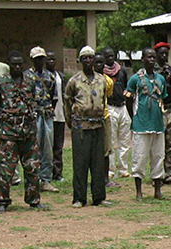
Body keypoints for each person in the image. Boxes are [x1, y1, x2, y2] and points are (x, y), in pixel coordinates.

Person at [0, 51, 47, 213]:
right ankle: (3, 201)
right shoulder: (0, 83)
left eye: (20, 63)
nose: (18, 66)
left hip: (29, 132)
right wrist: (0, 124)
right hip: (9, 134)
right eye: (14, 64)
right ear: (9, 64)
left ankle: (34, 200)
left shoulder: (30, 82)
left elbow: (33, 101)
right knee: (6, 170)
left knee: (32, 168)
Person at [64, 46, 112, 207]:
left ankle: (99, 197)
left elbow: (104, 99)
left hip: (98, 124)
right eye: (85, 58)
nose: (88, 61)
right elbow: (67, 101)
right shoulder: (74, 81)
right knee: (80, 162)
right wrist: (71, 121)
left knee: (98, 162)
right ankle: (79, 198)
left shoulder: (101, 80)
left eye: (90, 57)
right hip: (81, 125)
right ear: (80, 61)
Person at [126, 47, 171, 200]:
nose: (152, 60)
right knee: (139, 157)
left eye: (153, 57)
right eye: (149, 57)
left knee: (158, 156)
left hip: (158, 124)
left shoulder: (160, 79)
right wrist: (134, 117)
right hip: (141, 124)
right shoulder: (135, 79)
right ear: (143, 59)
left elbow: (165, 98)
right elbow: (128, 99)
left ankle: (157, 191)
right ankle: (139, 192)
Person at [25, 47, 59, 192]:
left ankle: (46, 179)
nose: (40, 61)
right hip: (33, 115)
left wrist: (49, 109)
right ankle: (33, 179)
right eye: (37, 58)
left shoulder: (50, 76)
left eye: (42, 58)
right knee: (33, 147)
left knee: (47, 148)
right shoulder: (26, 76)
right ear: (32, 60)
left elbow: (54, 98)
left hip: (47, 115)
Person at [103, 47, 133, 185]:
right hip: (110, 107)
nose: (109, 58)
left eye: (111, 56)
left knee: (125, 140)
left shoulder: (121, 72)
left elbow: (127, 90)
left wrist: (129, 110)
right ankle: (110, 170)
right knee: (111, 140)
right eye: (107, 56)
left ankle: (123, 169)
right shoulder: (102, 74)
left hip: (122, 107)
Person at [154, 42, 171, 187]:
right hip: (157, 109)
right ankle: (157, 175)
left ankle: (169, 174)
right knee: (158, 144)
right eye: (161, 54)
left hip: (170, 109)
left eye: (166, 54)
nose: (164, 56)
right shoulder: (152, 72)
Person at [47, 51, 66, 181]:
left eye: (53, 59)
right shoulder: (41, 76)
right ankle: (46, 173)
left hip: (60, 116)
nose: (51, 62)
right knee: (46, 147)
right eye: (48, 59)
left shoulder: (61, 76)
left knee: (58, 147)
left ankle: (57, 173)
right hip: (47, 116)